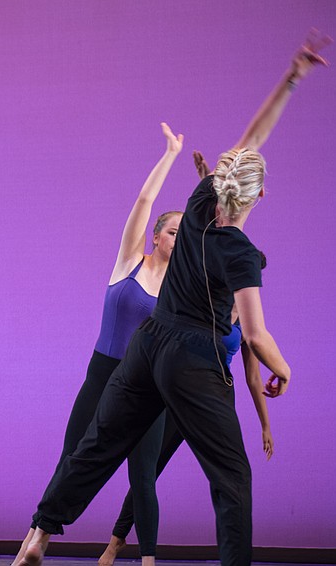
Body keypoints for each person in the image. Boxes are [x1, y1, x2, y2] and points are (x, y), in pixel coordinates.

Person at [15, 34, 328, 566]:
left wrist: (292, 77)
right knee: (232, 476)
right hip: (191, 357)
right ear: (254, 198)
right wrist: (285, 368)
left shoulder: (201, 199)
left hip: (147, 344)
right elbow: (254, 335)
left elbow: (253, 137)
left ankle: (39, 537)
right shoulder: (242, 252)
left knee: (96, 447)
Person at [12, 122, 184, 566]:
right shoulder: (128, 262)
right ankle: (34, 542)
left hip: (146, 385)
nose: (177, 239)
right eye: (171, 231)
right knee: (72, 457)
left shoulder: (178, 290)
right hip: (104, 372)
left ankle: (146, 561)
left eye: (184, 234)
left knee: (143, 476)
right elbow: (144, 202)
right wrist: (170, 155)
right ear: (156, 235)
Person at [97, 183, 275, 566]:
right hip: (179, 384)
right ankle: (117, 543)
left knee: (225, 475)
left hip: (210, 393)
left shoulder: (243, 321)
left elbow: (253, 377)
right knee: (149, 469)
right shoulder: (206, 299)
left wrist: (264, 424)